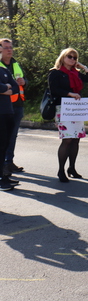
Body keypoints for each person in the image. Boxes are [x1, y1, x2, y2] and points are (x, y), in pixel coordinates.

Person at [47, 48, 88, 183]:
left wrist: (83, 67)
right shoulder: (55, 73)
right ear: (63, 57)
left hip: (76, 109)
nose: (72, 59)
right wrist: (70, 94)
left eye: (75, 58)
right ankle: (61, 170)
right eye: (69, 56)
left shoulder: (76, 73)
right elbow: (54, 90)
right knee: (67, 139)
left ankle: (72, 168)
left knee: (76, 139)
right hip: (63, 108)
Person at [0, 39, 26, 175]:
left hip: (17, 105)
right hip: (3, 107)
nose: (9, 50)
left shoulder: (16, 64)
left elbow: (23, 81)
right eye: (6, 47)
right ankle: (3, 165)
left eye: (11, 47)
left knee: (12, 136)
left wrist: (24, 82)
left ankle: (9, 162)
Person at [0, 61, 19, 191]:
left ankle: (3, 176)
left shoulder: (4, 70)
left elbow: (16, 87)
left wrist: (5, 88)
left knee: (5, 146)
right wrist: (6, 88)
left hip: (8, 112)